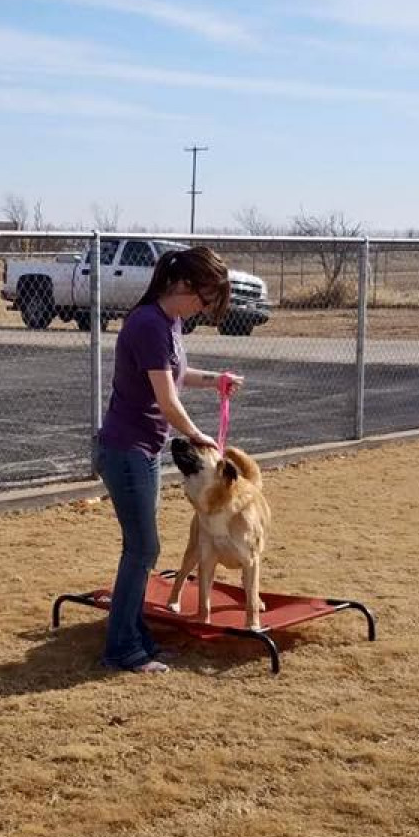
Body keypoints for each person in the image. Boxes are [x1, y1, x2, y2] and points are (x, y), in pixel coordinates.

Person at [95, 245, 243, 674]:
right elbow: (167, 399)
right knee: (142, 548)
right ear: (182, 285)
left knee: (143, 549)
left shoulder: (169, 323)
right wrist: (199, 438)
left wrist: (218, 380)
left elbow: (176, 377)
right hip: (126, 451)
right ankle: (122, 649)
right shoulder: (147, 324)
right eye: (204, 298)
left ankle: (137, 638)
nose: (203, 308)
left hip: (142, 451)